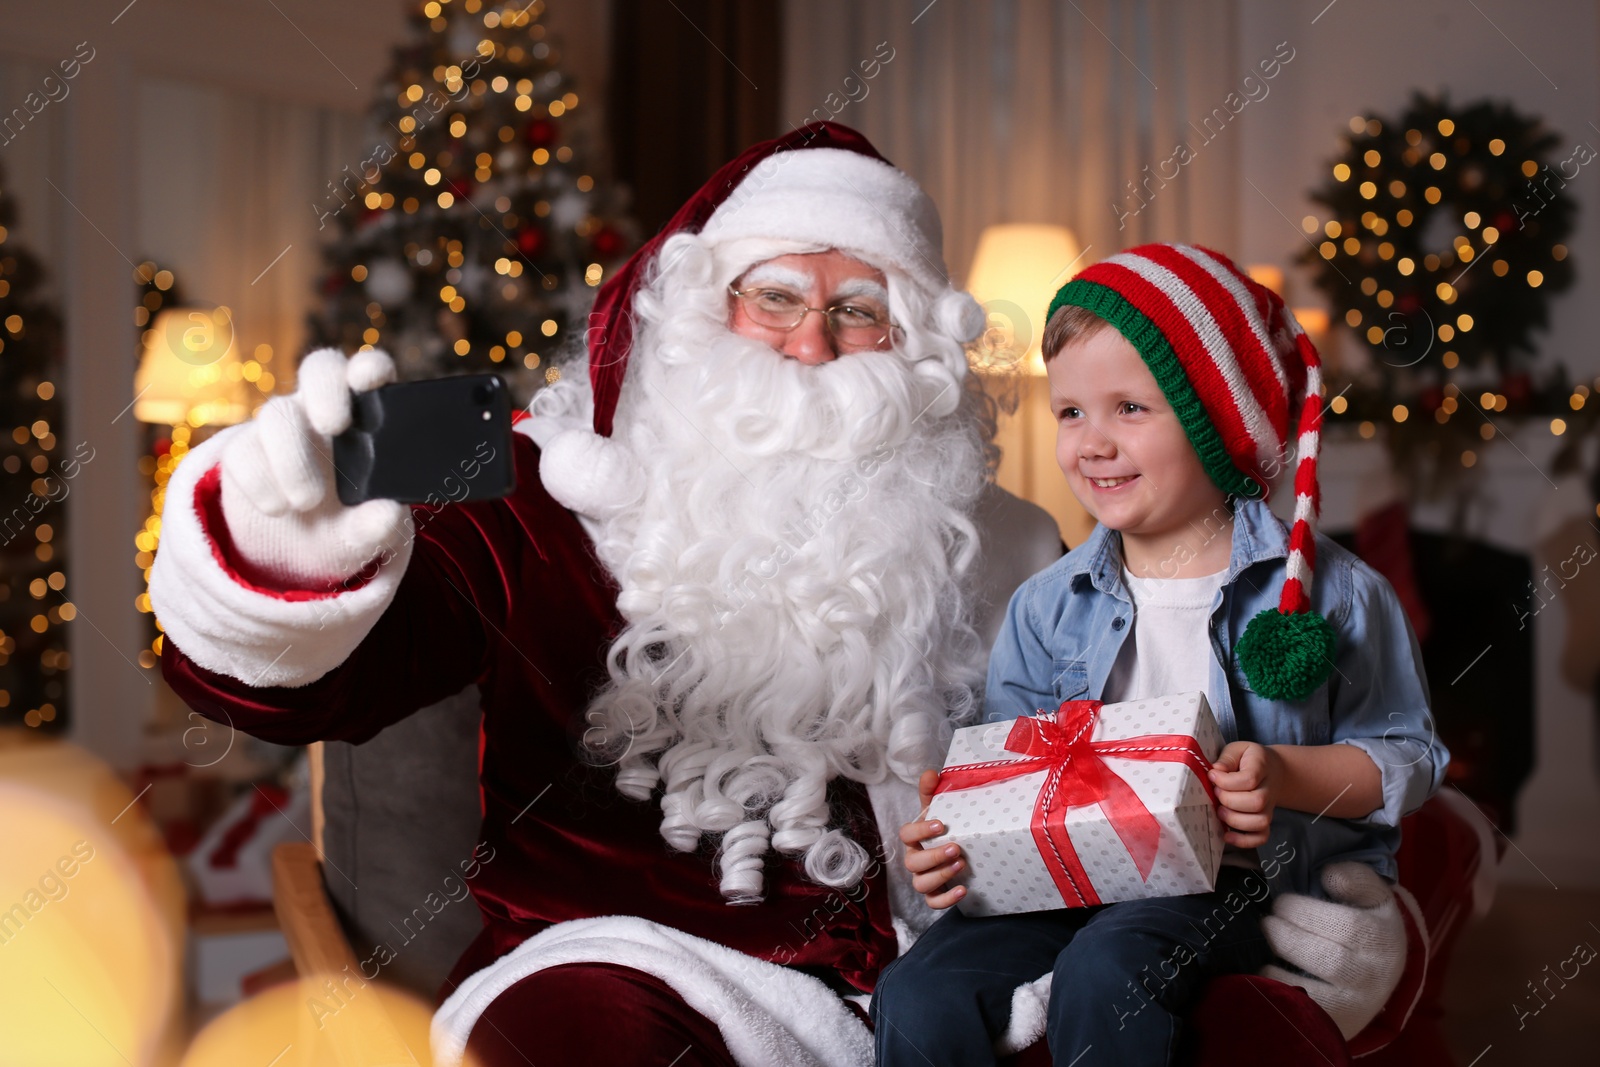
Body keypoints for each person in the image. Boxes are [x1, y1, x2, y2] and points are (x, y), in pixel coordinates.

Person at [148, 122, 1421, 1067]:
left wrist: (1331, 912)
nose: (812, 344)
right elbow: (315, 672)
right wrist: (280, 536)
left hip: (953, 964)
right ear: (703, 311)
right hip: (641, 961)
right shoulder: (547, 494)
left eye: (858, 310)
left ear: (916, 345)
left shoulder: (1020, 548)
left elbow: (1159, 772)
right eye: (776, 299)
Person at [872, 244, 1448, 1066]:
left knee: (1112, 966)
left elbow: (1408, 757)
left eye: (1129, 409)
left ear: (1219, 420)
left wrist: (1284, 776)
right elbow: (1013, 772)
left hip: (1231, 880)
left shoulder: (1332, 593)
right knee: (917, 990)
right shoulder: (1046, 603)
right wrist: (961, 829)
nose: (1091, 443)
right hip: (1069, 869)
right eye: (1070, 412)